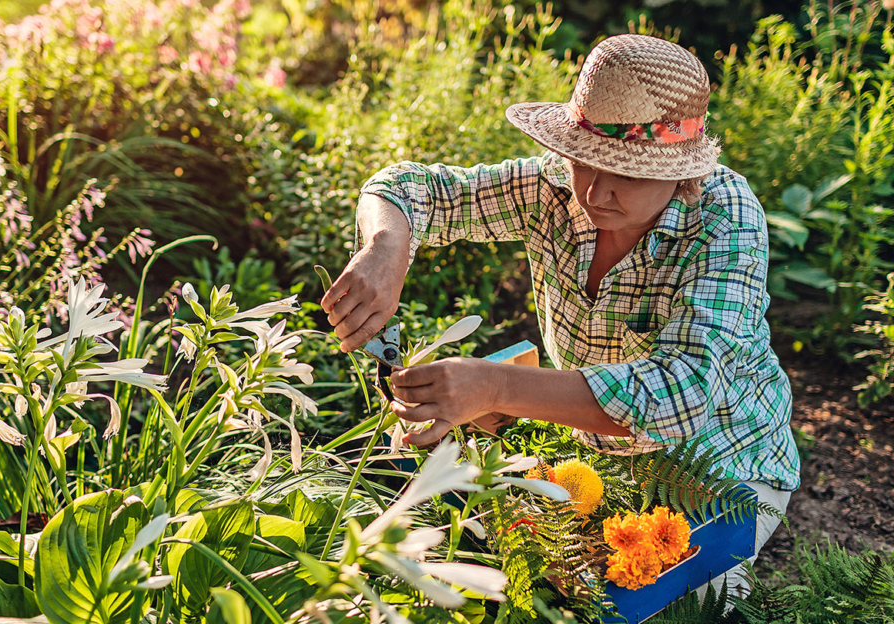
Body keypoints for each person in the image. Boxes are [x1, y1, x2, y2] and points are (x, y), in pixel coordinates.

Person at [320, 33, 799, 595]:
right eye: (584, 161)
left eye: (626, 171)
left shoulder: (725, 218)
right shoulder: (553, 187)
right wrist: (385, 247)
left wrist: (497, 387)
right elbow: (408, 189)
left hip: (720, 471)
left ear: (682, 169)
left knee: (660, 602)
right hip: (597, 456)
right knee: (509, 582)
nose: (596, 191)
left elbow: (682, 394)